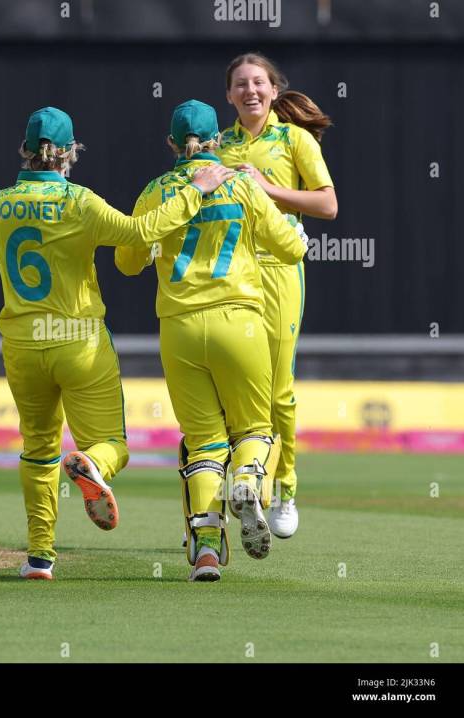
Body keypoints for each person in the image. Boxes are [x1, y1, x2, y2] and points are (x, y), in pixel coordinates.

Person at [0, 106, 234, 580]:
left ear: (25, 150)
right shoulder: (80, 202)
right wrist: (193, 192)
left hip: (23, 343)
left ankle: (39, 557)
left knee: (36, 448)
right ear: (70, 154)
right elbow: (141, 232)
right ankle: (91, 463)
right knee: (113, 444)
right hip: (79, 340)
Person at [115, 100, 307, 581]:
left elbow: (126, 261)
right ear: (218, 141)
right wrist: (297, 236)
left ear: (171, 145)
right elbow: (288, 247)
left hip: (179, 328)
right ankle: (245, 480)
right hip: (238, 321)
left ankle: (204, 551)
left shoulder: (156, 191)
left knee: (202, 444)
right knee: (256, 430)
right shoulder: (241, 184)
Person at [216, 53, 337, 539]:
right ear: (228, 95)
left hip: (280, 271)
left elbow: (327, 203)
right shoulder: (217, 144)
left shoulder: (294, 139)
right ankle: (246, 485)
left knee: (278, 390)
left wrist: (266, 188)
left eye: (259, 83)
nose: (250, 91)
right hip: (228, 278)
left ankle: (285, 487)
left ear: (273, 89)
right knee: (235, 389)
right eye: (241, 84)